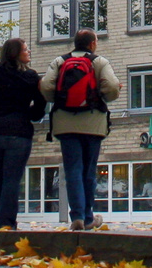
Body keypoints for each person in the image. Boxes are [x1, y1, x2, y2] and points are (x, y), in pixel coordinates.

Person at [40, 29, 120, 231]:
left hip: (65, 124)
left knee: (72, 169)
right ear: (92, 44)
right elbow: (111, 88)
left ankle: (76, 215)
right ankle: (87, 216)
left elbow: (46, 87)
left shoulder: (59, 61)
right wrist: (104, 96)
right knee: (89, 171)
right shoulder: (99, 62)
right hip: (93, 123)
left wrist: (59, 99)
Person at [0, 37, 46, 230]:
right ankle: (7, 223)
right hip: (18, 132)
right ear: (16, 53)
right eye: (25, 49)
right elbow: (39, 109)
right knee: (12, 179)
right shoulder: (31, 77)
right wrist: (28, 114)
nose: (29, 52)